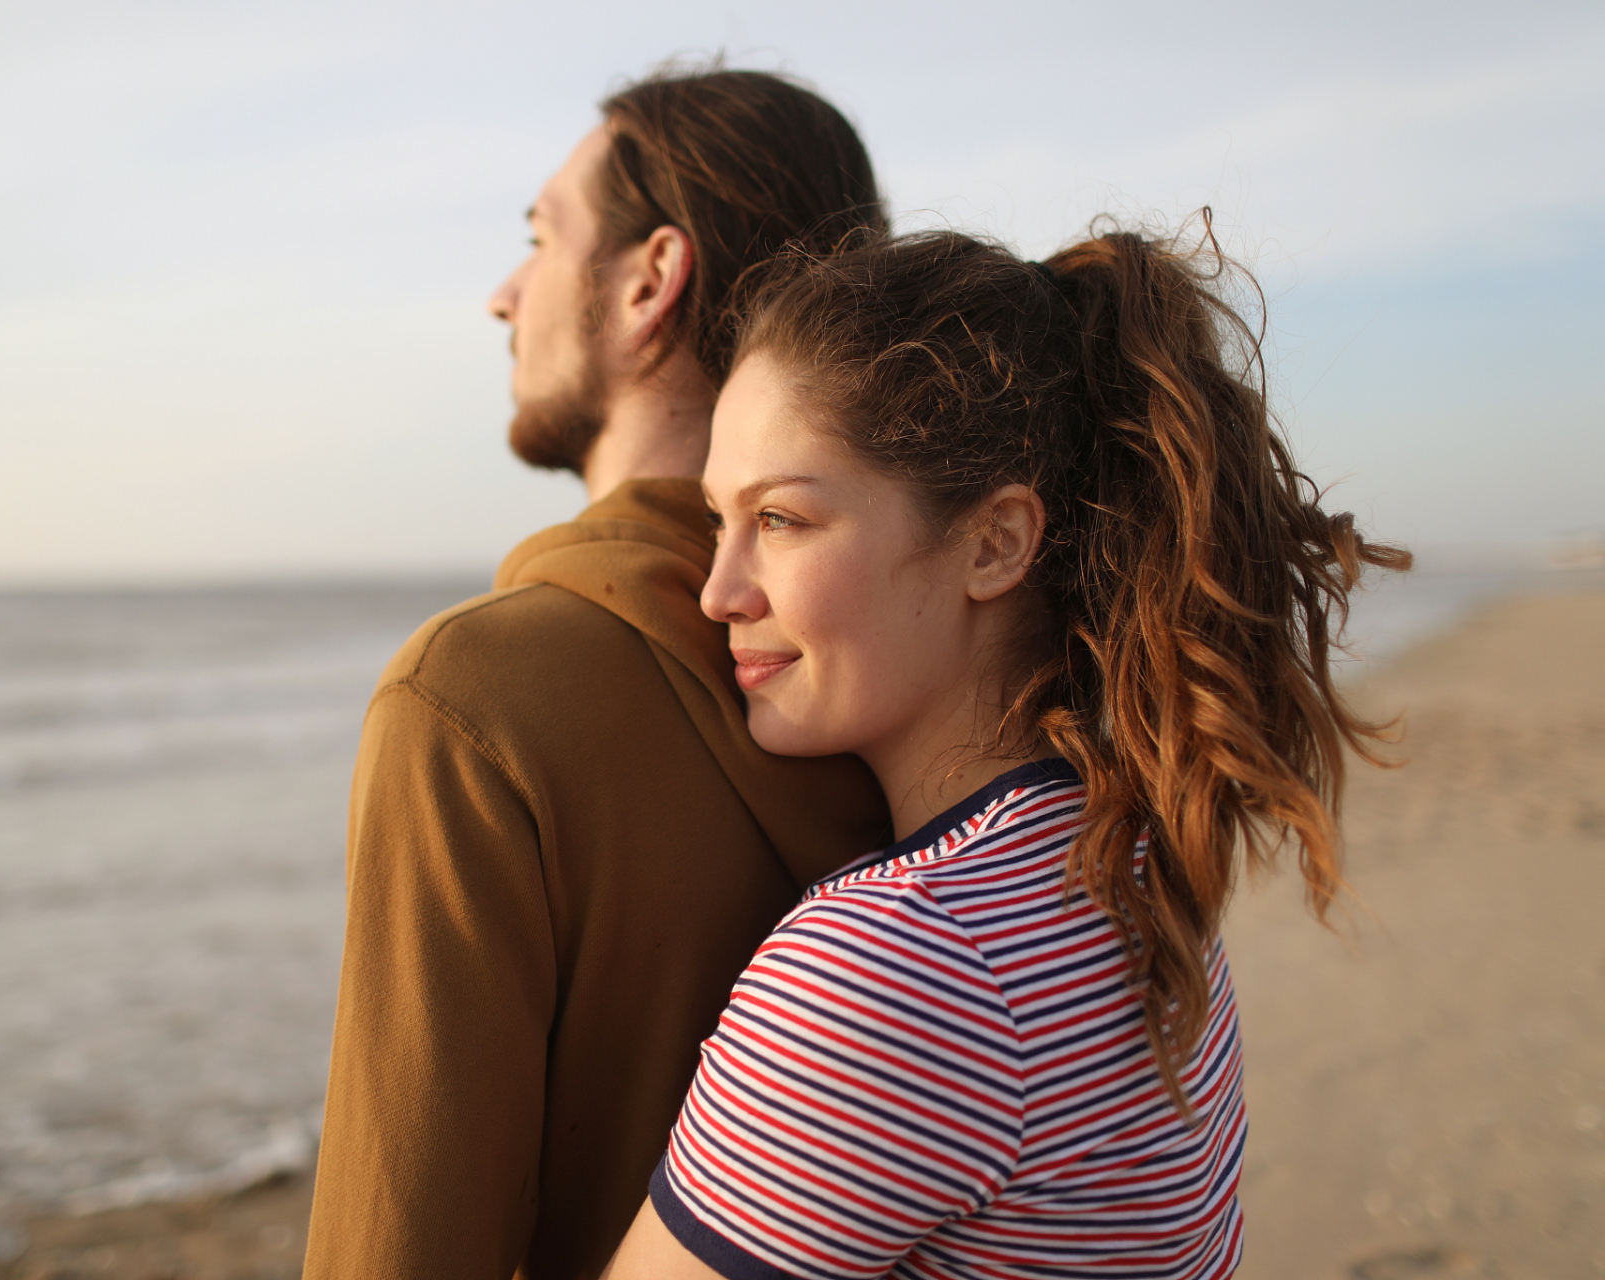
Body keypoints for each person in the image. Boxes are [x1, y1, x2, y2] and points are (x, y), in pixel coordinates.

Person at [603, 223, 1409, 1277]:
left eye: (784, 519)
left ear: (996, 542)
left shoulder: (897, 963)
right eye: (719, 520)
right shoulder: (1136, 863)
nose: (719, 591)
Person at [302, 68, 893, 1279]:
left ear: (649, 282)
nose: (503, 295)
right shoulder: (948, 655)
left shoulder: (476, 697)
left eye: (538, 239)